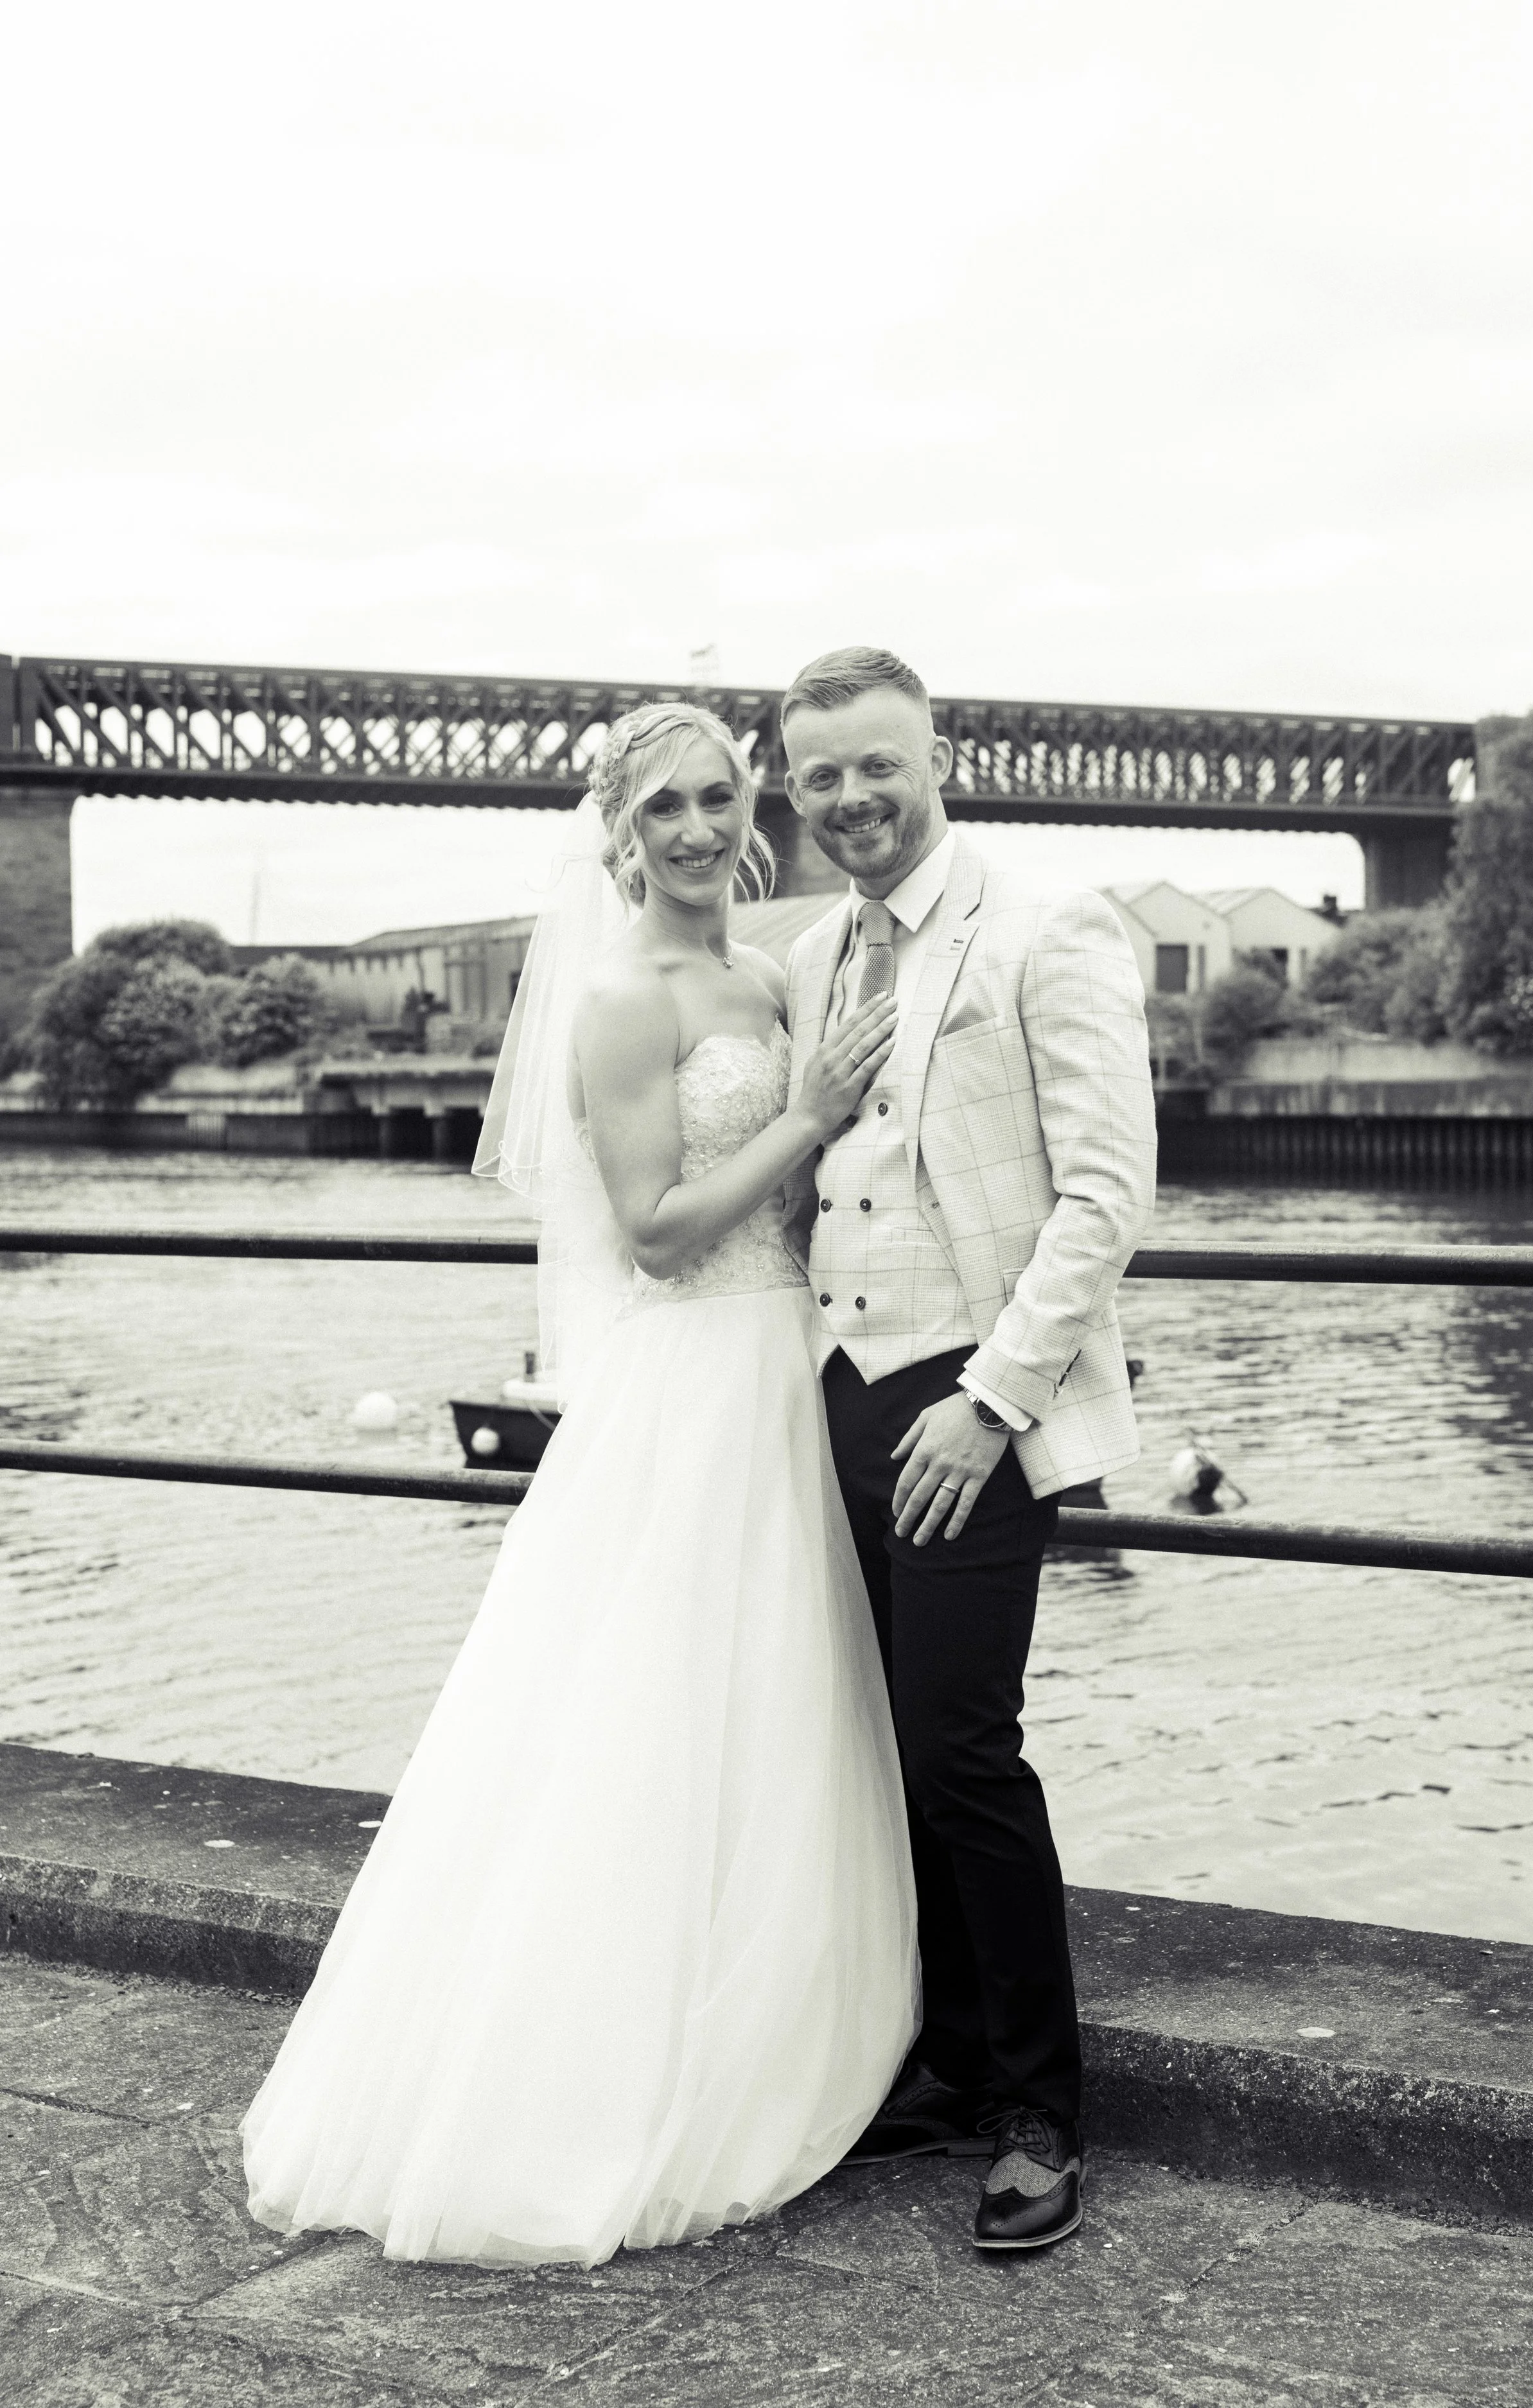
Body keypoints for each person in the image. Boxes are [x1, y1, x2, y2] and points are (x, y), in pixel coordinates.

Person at [240, 702, 918, 2268]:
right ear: (620, 830)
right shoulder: (621, 1000)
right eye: (663, 805)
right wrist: (810, 1111)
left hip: (789, 1373)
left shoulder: (768, 972)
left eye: (716, 798)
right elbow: (657, 1228)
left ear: (750, 811)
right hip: (693, 1380)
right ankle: (605, 2079)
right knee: (646, 1716)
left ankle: (772, 2029)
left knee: (773, 1708)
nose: (694, 827)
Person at [781, 646, 1156, 2251]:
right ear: (795, 793)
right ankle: (939, 2062)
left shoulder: (1048, 926)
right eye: (820, 776)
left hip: (966, 1400)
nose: (852, 798)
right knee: (875, 1743)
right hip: (834, 1389)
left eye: (878, 764)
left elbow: (1105, 1193)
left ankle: (1038, 2112)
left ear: (939, 755)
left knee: (957, 1744)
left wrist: (991, 1400)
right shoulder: (808, 957)